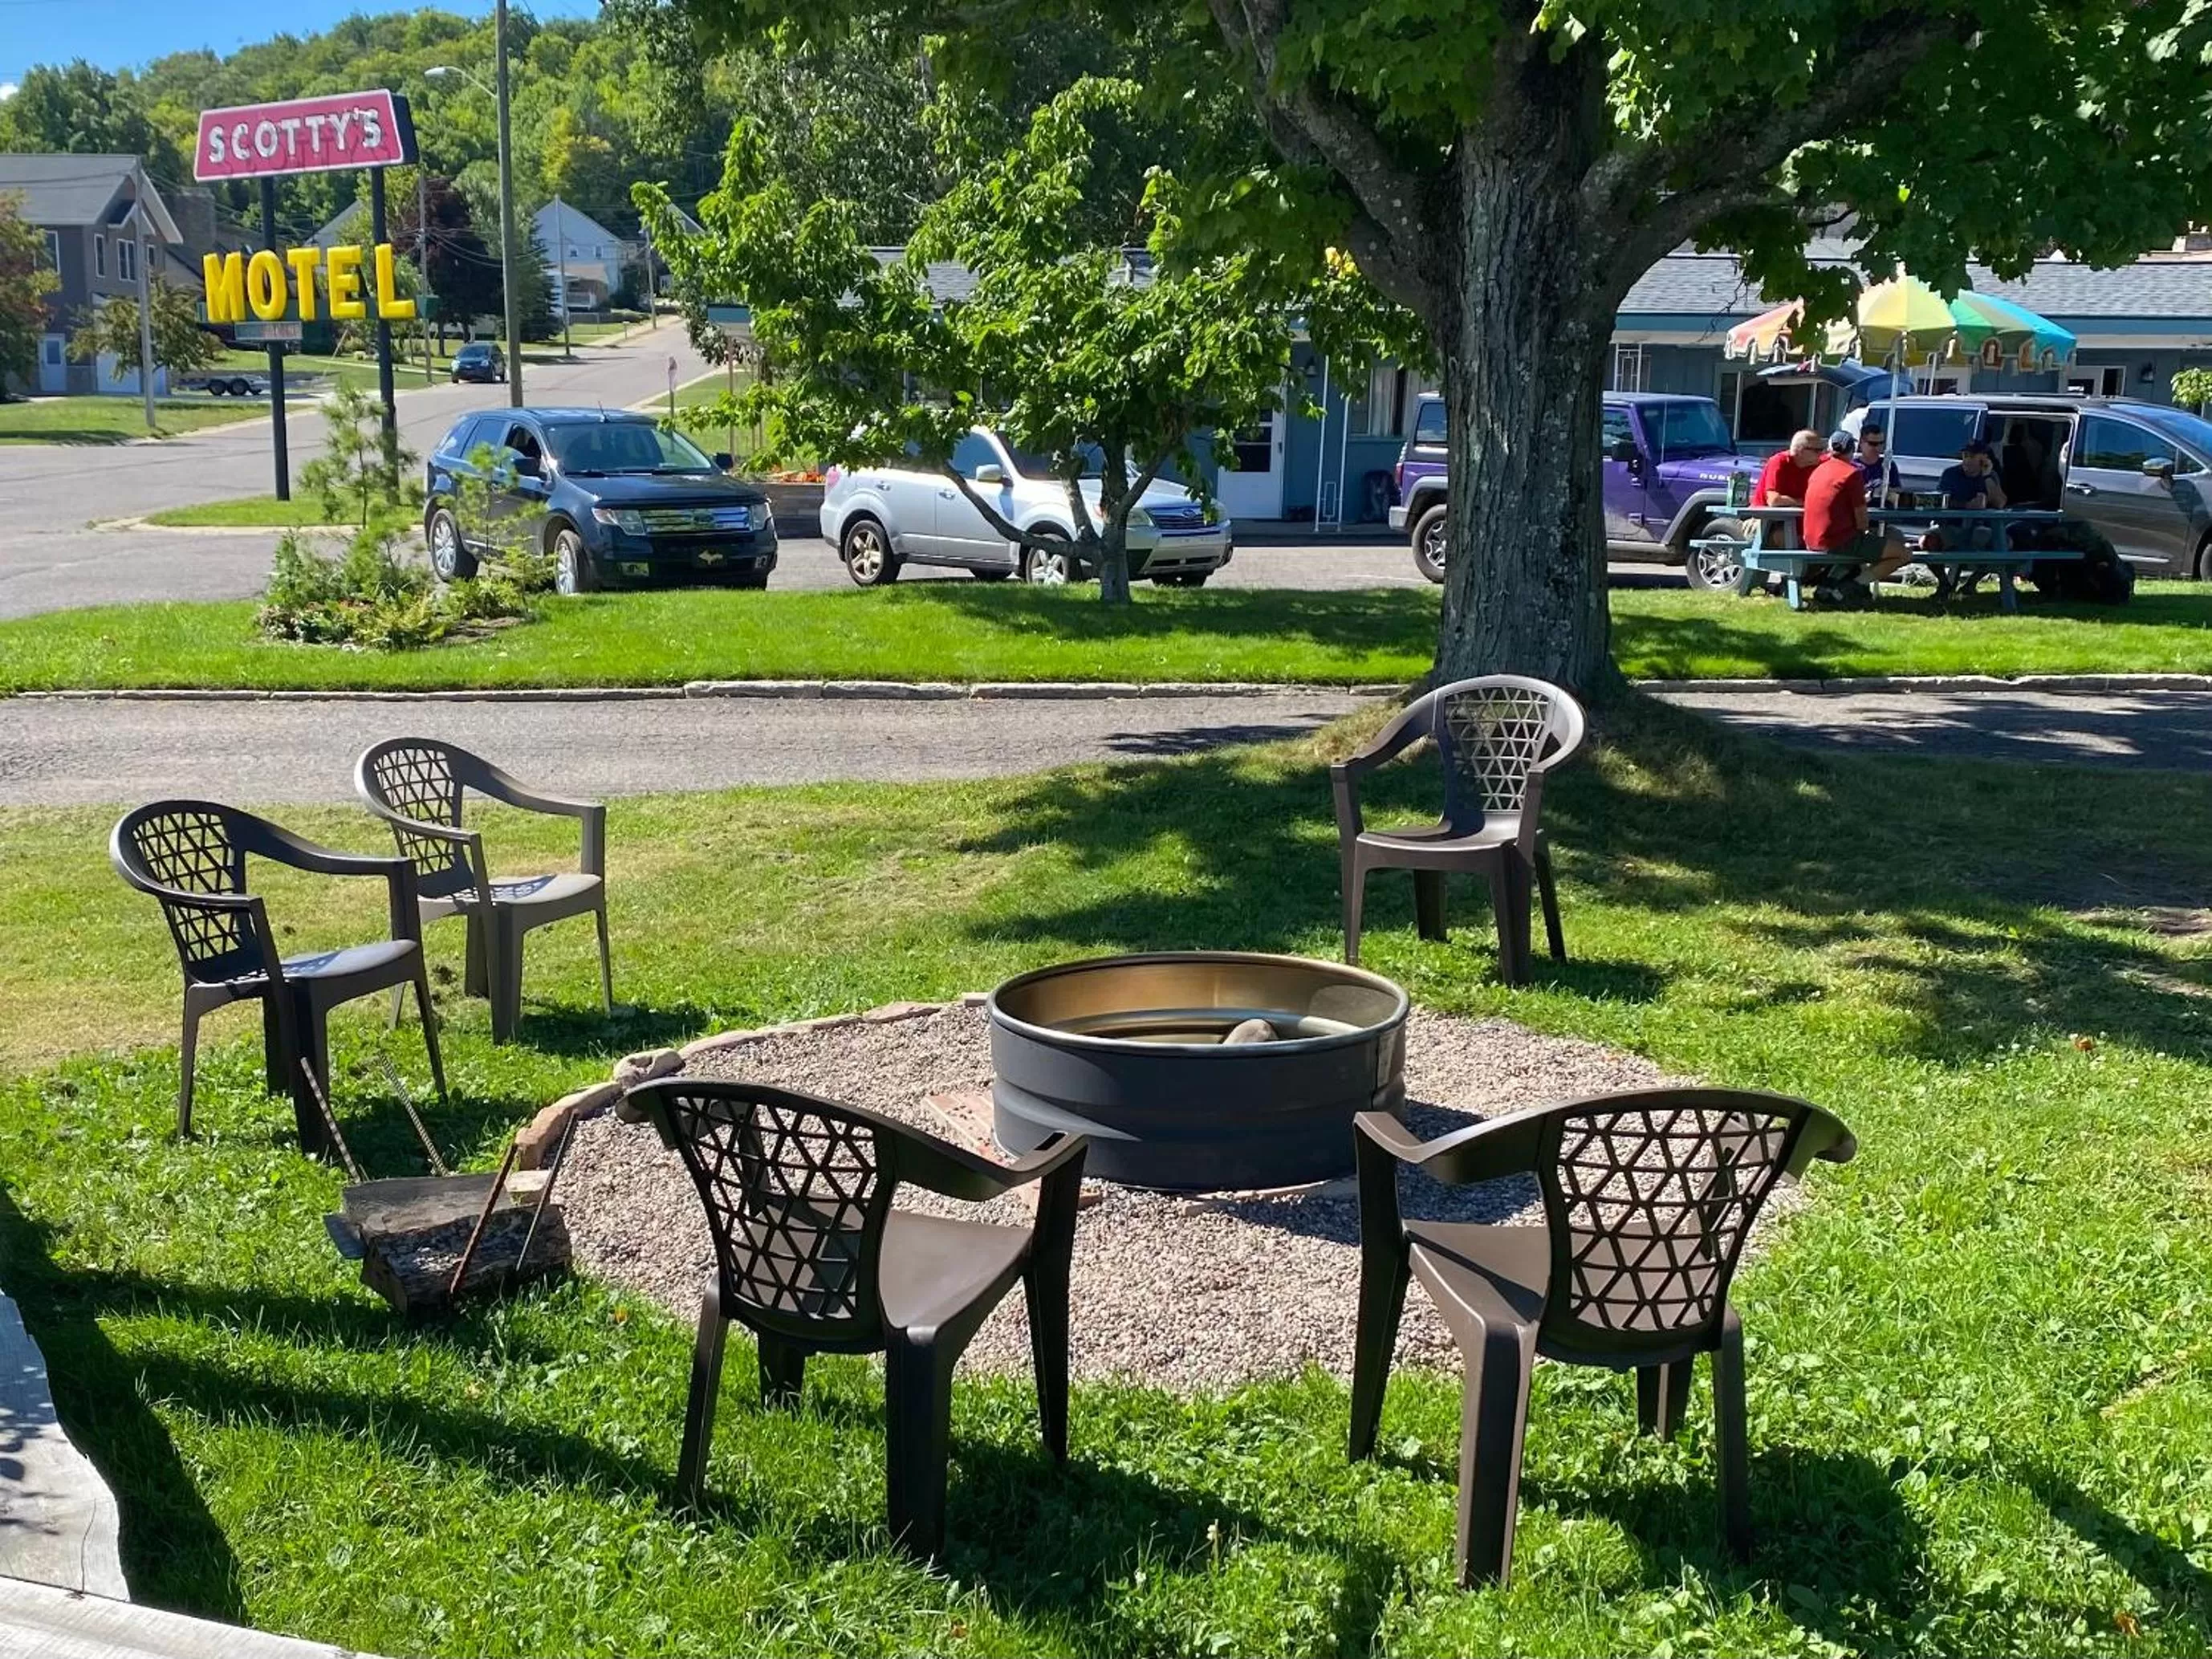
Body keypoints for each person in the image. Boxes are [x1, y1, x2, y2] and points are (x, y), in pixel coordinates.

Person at [1803, 430, 1912, 600]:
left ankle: (1828, 585)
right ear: (1853, 449)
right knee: (1904, 554)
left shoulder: (1818, 470)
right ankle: (1851, 587)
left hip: (1812, 539)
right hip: (1838, 540)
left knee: (1858, 546)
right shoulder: (1851, 473)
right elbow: (1862, 521)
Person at [1750, 429, 1824, 549]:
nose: (1821, 454)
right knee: (1788, 538)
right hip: (1766, 523)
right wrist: (1803, 502)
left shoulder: (1815, 465)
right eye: (1817, 450)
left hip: (1798, 523)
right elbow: (1774, 500)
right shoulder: (1779, 462)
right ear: (1800, 450)